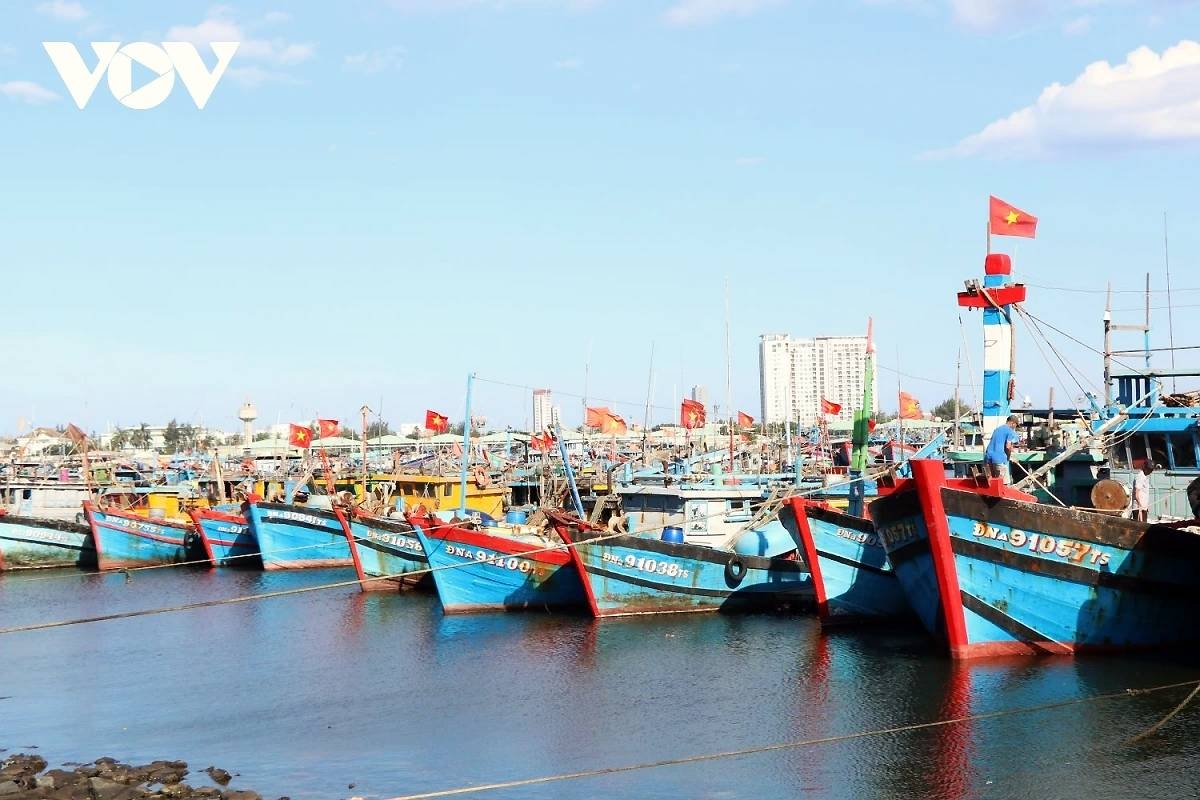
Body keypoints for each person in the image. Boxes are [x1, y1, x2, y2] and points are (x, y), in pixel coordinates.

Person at [984, 415, 1021, 483]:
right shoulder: (1010, 431)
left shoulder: (997, 429)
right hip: (999, 459)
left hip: (988, 457)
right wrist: (1010, 457)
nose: (1015, 428)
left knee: (991, 482)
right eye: (1016, 425)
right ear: (1013, 423)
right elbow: (1008, 446)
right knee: (1003, 484)